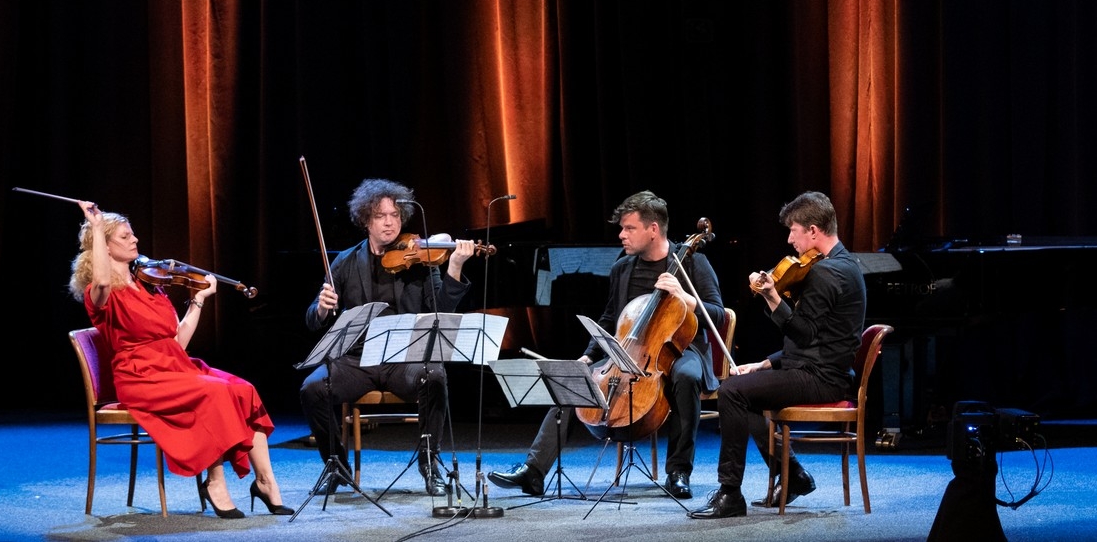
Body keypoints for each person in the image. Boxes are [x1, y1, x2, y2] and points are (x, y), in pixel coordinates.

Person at [488, 190, 724, 500]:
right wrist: (588, 357)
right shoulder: (622, 268)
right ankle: (534, 471)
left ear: (653, 229)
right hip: (630, 352)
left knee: (687, 377)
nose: (621, 235)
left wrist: (684, 296)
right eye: (622, 228)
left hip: (681, 349)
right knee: (574, 380)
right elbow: (612, 317)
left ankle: (679, 471)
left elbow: (718, 315)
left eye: (629, 228)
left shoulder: (693, 262)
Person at [68, 202, 289, 519]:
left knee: (244, 390)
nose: (135, 240)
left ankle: (266, 482)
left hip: (174, 366)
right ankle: (215, 483)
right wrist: (97, 225)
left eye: (133, 234)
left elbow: (177, 343)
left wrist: (197, 300)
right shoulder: (99, 294)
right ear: (104, 246)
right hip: (141, 377)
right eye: (125, 236)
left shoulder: (150, 287)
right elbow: (103, 282)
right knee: (215, 392)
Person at [690, 190, 867, 519]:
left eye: (793, 231)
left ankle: (730, 493)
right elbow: (818, 341)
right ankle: (794, 475)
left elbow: (803, 334)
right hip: (823, 371)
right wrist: (764, 364)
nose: (789, 240)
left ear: (813, 230)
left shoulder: (827, 272)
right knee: (744, 392)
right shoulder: (843, 263)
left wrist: (772, 297)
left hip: (821, 379)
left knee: (731, 391)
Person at [300, 178, 475, 497]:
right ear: (366, 220)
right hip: (358, 360)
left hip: (404, 359)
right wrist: (323, 308)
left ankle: (429, 463)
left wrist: (455, 267)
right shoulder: (346, 261)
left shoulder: (420, 259)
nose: (389, 222)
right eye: (381, 215)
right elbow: (313, 318)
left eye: (395, 215)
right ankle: (336, 466)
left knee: (435, 376)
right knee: (312, 388)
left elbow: (442, 310)